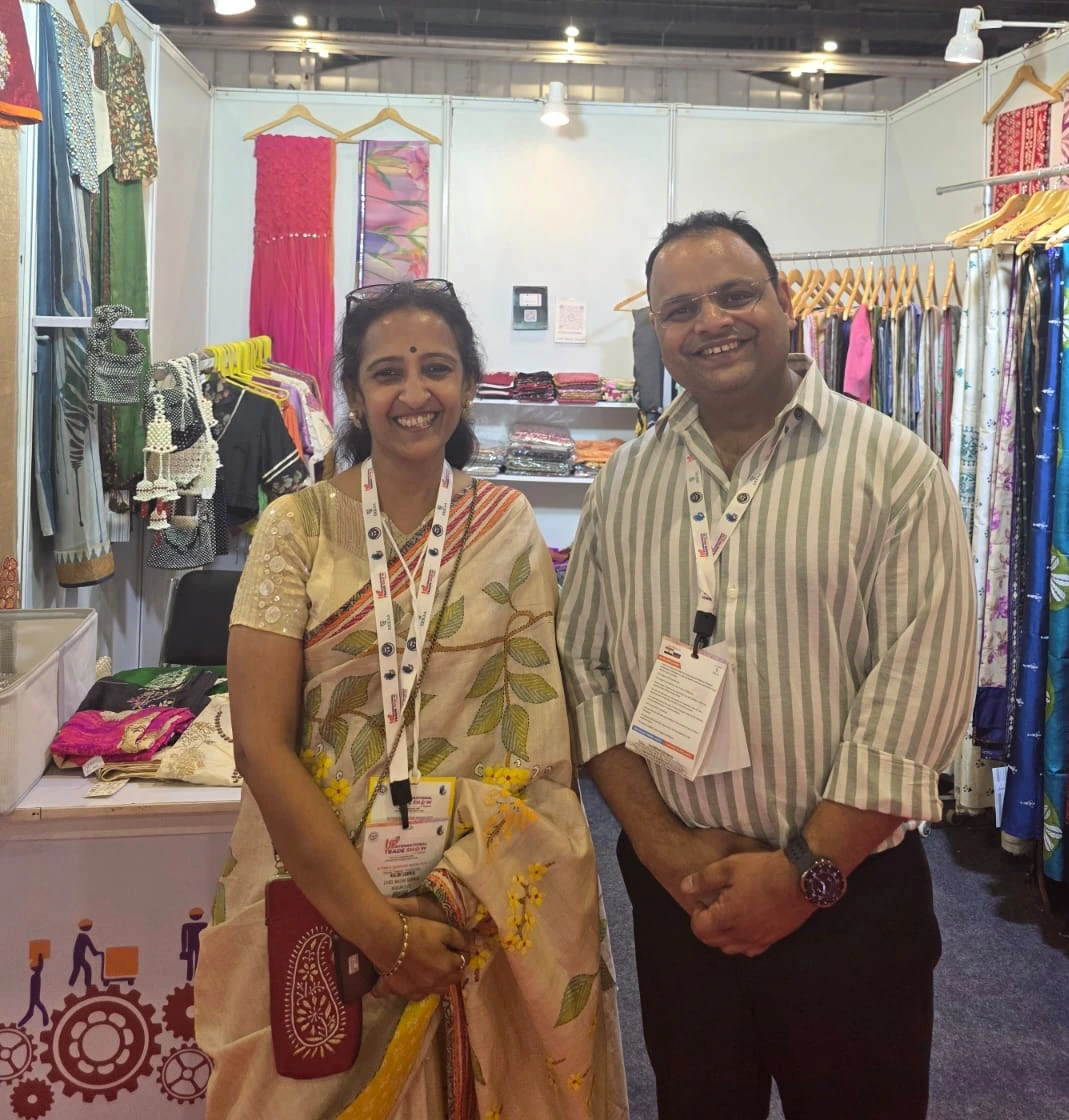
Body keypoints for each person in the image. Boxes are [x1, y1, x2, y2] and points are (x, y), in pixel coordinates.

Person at [558, 212, 975, 1120]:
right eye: (681, 309)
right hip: (684, 899)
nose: (711, 322)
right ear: (658, 332)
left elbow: (916, 695)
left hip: (849, 903)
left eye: (735, 294)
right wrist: (665, 849)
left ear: (785, 302)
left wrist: (802, 877)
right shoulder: (624, 482)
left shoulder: (894, 470)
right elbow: (584, 672)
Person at [196, 280, 626, 1120]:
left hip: (479, 902)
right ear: (356, 396)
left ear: (466, 384)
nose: (414, 391)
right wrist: (378, 929)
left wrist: (451, 894)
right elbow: (260, 744)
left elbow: (540, 745)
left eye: (437, 368)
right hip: (321, 887)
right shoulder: (297, 528)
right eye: (387, 372)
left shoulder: (508, 524)